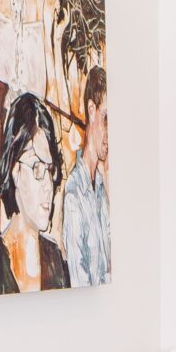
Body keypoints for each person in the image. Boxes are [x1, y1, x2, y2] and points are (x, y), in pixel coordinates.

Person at [0, 92, 71, 295]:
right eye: (37, 168)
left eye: (50, 170)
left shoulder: (56, 261)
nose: (48, 186)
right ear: (15, 171)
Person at [64, 66, 111, 286]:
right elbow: (79, 283)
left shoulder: (101, 189)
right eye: (106, 118)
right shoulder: (74, 194)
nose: (111, 132)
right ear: (91, 110)